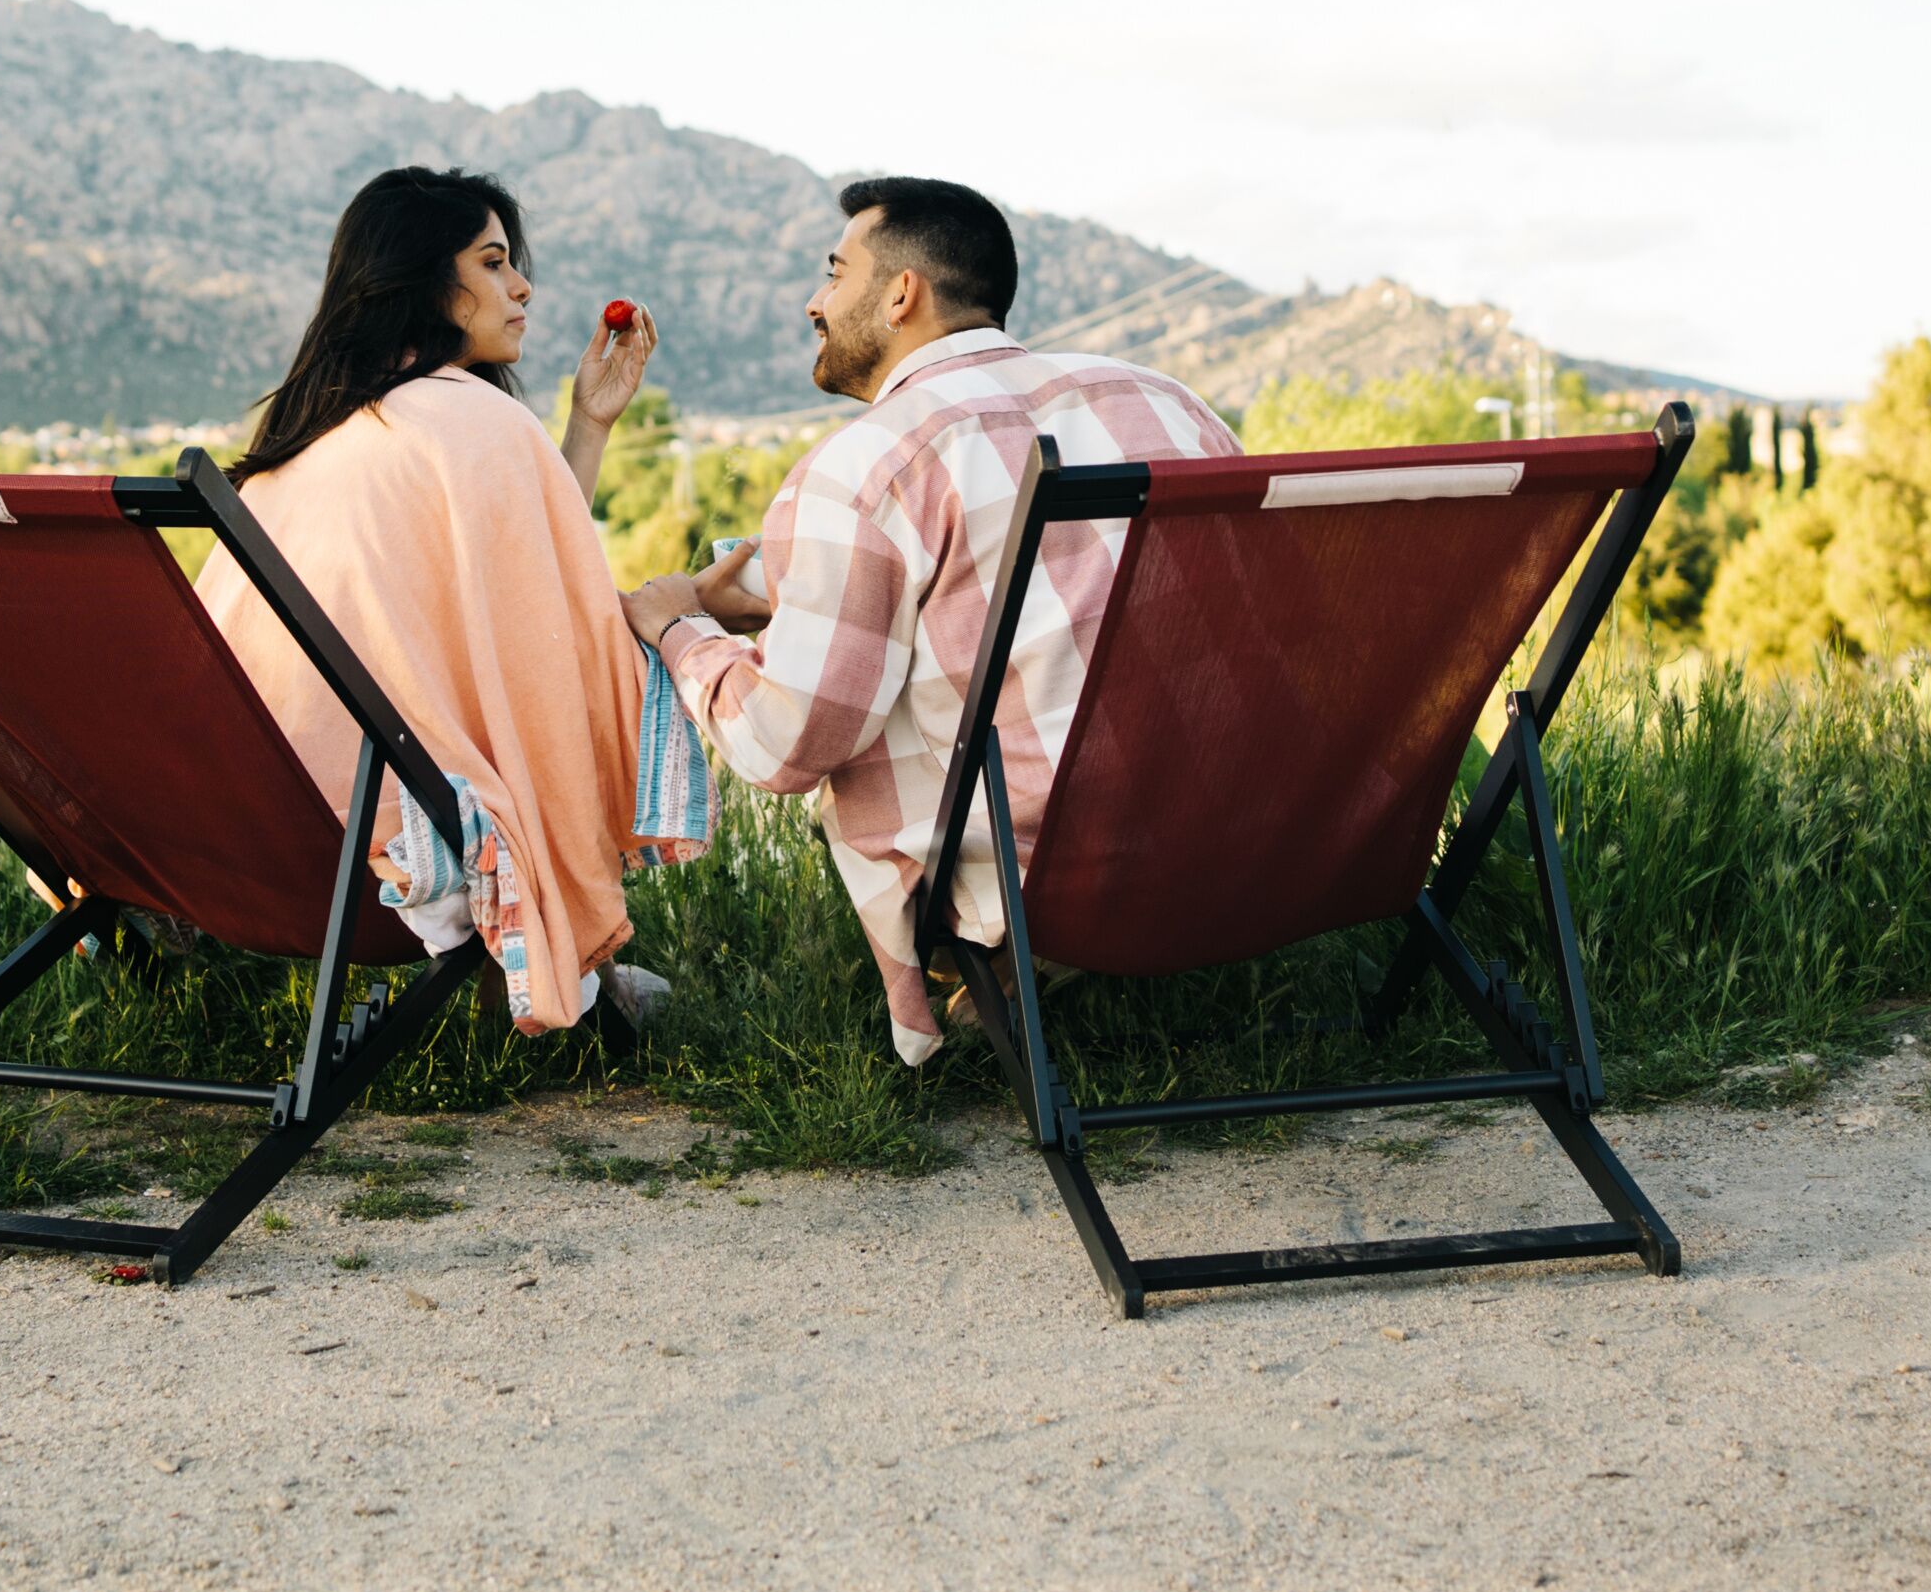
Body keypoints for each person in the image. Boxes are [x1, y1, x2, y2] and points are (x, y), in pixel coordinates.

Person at [620, 176, 1237, 1063]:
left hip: (1048, 880)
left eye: (835, 272)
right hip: (1234, 841)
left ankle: (985, 986)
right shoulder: (1166, 403)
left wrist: (683, 628)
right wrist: (785, 592)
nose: (814, 301)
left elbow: (785, 745)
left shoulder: (866, 466)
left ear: (901, 292)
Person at [198, 164, 698, 1032]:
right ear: (429, 282)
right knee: (638, 642)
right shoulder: (470, 421)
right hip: (380, 859)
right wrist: (673, 615)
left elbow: (519, 578)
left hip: (244, 838)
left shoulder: (311, 433)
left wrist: (588, 423)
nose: (522, 285)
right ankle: (576, 953)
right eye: (494, 261)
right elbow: (556, 632)